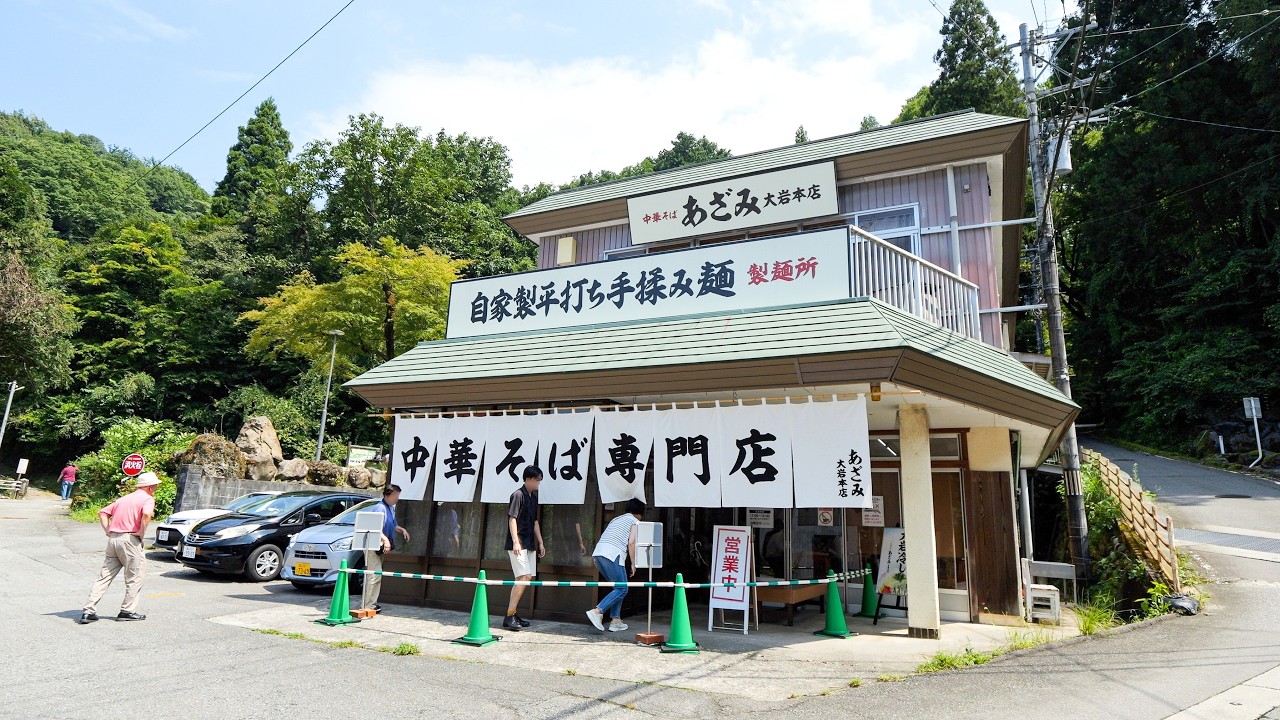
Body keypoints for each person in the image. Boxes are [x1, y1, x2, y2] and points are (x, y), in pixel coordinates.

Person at [79, 471, 159, 624]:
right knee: (135, 577)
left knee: (104, 576)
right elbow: (147, 515)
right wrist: (141, 532)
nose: (155, 488)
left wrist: (107, 530)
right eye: (155, 485)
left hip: (113, 540)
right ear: (150, 487)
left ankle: (88, 611)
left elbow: (102, 512)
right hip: (129, 540)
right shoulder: (148, 499)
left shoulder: (123, 499)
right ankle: (127, 611)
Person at [585, 498, 644, 633]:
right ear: (639, 513)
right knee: (622, 589)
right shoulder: (635, 521)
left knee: (618, 587)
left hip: (599, 554)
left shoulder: (616, 519)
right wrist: (634, 563)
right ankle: (597, 611)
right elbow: (631, 543)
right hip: (613, 554)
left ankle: (616, 620)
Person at [503, 466, 544, 631]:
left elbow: (535, 522)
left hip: (529, 543)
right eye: (537, 480)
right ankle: (509, 614)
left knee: (525, 578)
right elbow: (512, 518)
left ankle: (512, 613)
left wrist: (540, 542)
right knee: (524, 576)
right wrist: (515, 541)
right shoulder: (517, 495)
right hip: (518, 543)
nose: (538, 483)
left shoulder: (533, 498)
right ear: (529, 479)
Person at [362, 484, 410, 614]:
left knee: (377, 575)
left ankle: (371, 603)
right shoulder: (380, 508)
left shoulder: (390, 508)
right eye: (395, 495)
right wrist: (385, 539)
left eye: (397, 496)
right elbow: (374, 527)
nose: (396, 498)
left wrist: (402, 530)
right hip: (373, 546)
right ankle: (368, 605)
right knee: (374, 574)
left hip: (380, 547)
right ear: (386, 495)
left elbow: (393, 525)